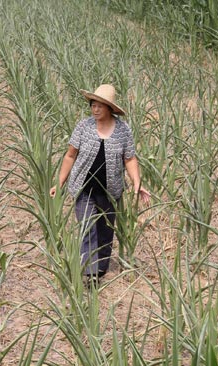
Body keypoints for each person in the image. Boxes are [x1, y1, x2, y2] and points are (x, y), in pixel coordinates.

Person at [49, 84, 150, 286]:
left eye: (99, 106)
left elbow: (130, 159)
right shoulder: (83, 127)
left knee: (105, 230)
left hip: (110, 191)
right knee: (87, 226)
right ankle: (91, 273)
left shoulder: (122, 130)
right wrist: (59, 182)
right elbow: (70, 155)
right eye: (92, 105)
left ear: (110, 108)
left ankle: (100, 268)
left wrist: (137, 183)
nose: (95, 110)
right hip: (83, 188)